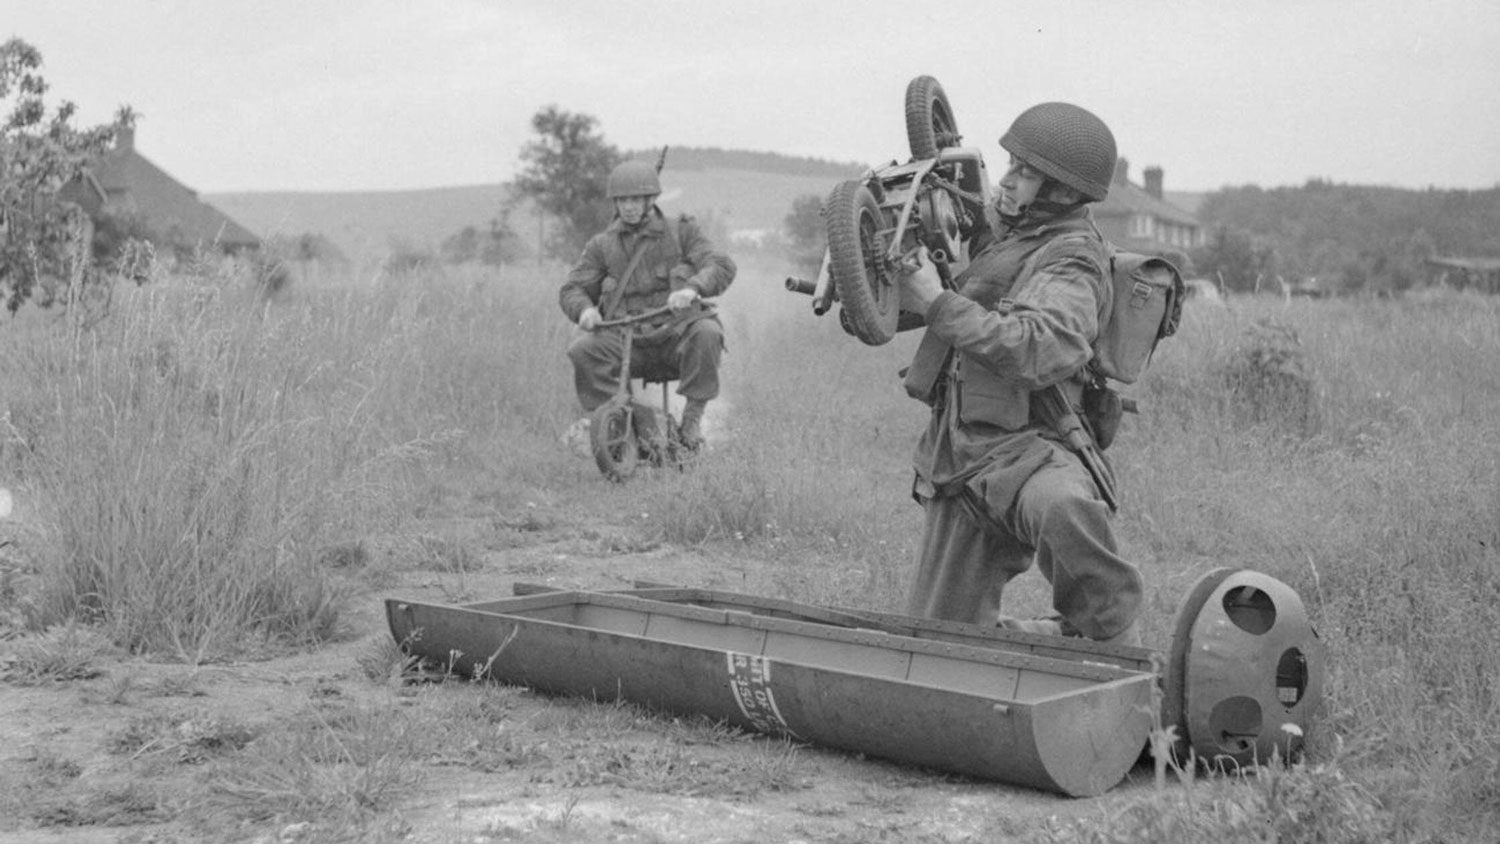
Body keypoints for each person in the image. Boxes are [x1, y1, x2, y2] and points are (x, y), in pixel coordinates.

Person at [894, 102, 1142, 646]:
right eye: (1011, 165)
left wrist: (937, 303)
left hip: (1030, 448)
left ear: (1062, 191)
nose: (1007, 180)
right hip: (959, 456)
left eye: (1025, 173)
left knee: (1064, 507)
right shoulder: (1006, 235)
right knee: (939, 648)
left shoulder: (1073, 260)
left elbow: (1039, 347)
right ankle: (1037, 641)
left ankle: (1116, 648)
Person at [559, 159, 736, 449]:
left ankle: (691, 424)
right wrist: (585, 310)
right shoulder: (602, 245)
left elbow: (720, 264)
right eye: (622, 200)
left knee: (707, 332)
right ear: (615, 203)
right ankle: (624, 426)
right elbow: (573, 288)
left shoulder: (681, 232)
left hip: (676, 336)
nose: (629, 206)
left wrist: (693, 289)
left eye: (636, 199)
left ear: (650, 199)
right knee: (584, 349)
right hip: (628, 341)